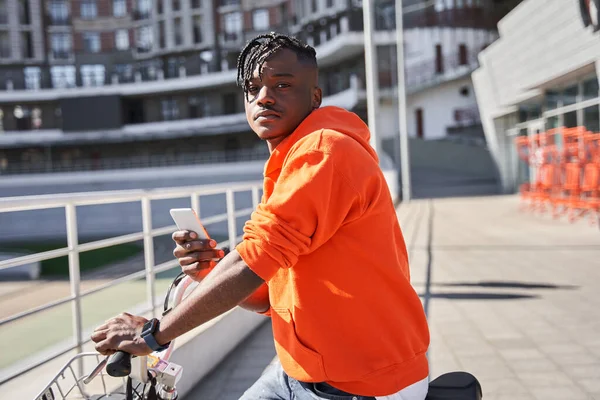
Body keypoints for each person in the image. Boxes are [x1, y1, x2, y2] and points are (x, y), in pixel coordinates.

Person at [91, 33, 430, 400]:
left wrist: (153, 334)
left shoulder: (325, 151)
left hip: (365, 382)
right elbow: (271, 298)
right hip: (302, 373)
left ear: (314, 98)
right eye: (253, 88)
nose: (264, 96)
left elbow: (253, 259)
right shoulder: (290, 160)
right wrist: (211, 270)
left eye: (282, 85)